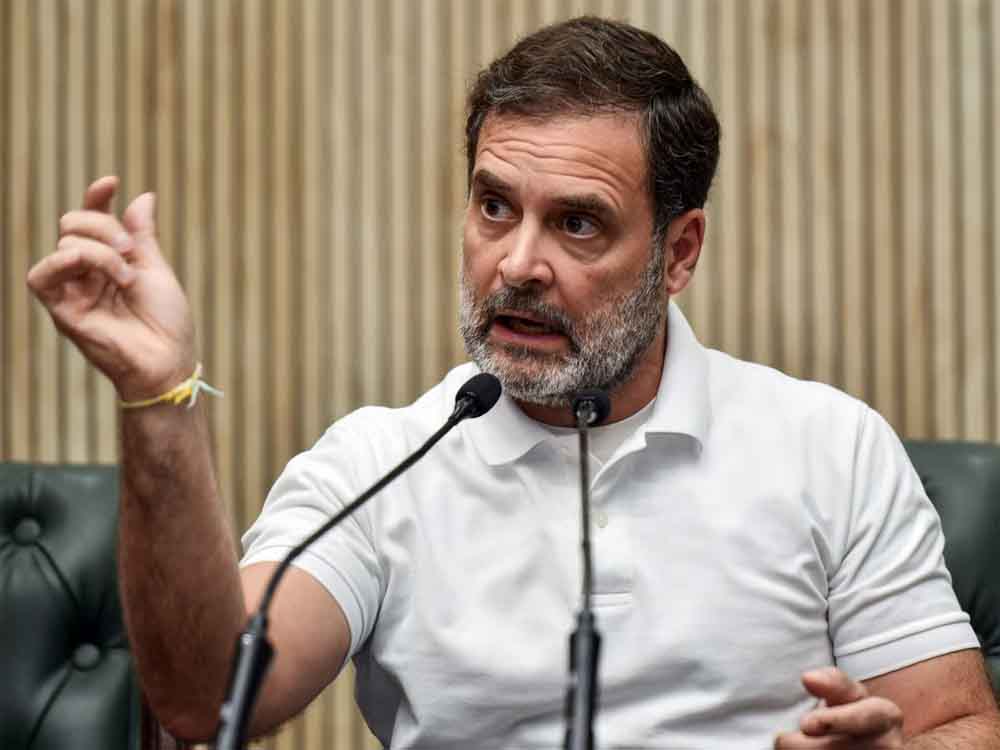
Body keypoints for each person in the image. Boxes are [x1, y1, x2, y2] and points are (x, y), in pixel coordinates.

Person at [26, 15, 1000, 750]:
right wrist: (159, 400)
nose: (518, 264)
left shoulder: (827, 446)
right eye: (495, 207)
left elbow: (960, 724)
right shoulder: (379, 463)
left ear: (678, 253)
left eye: (577, 223)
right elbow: (205, 700)